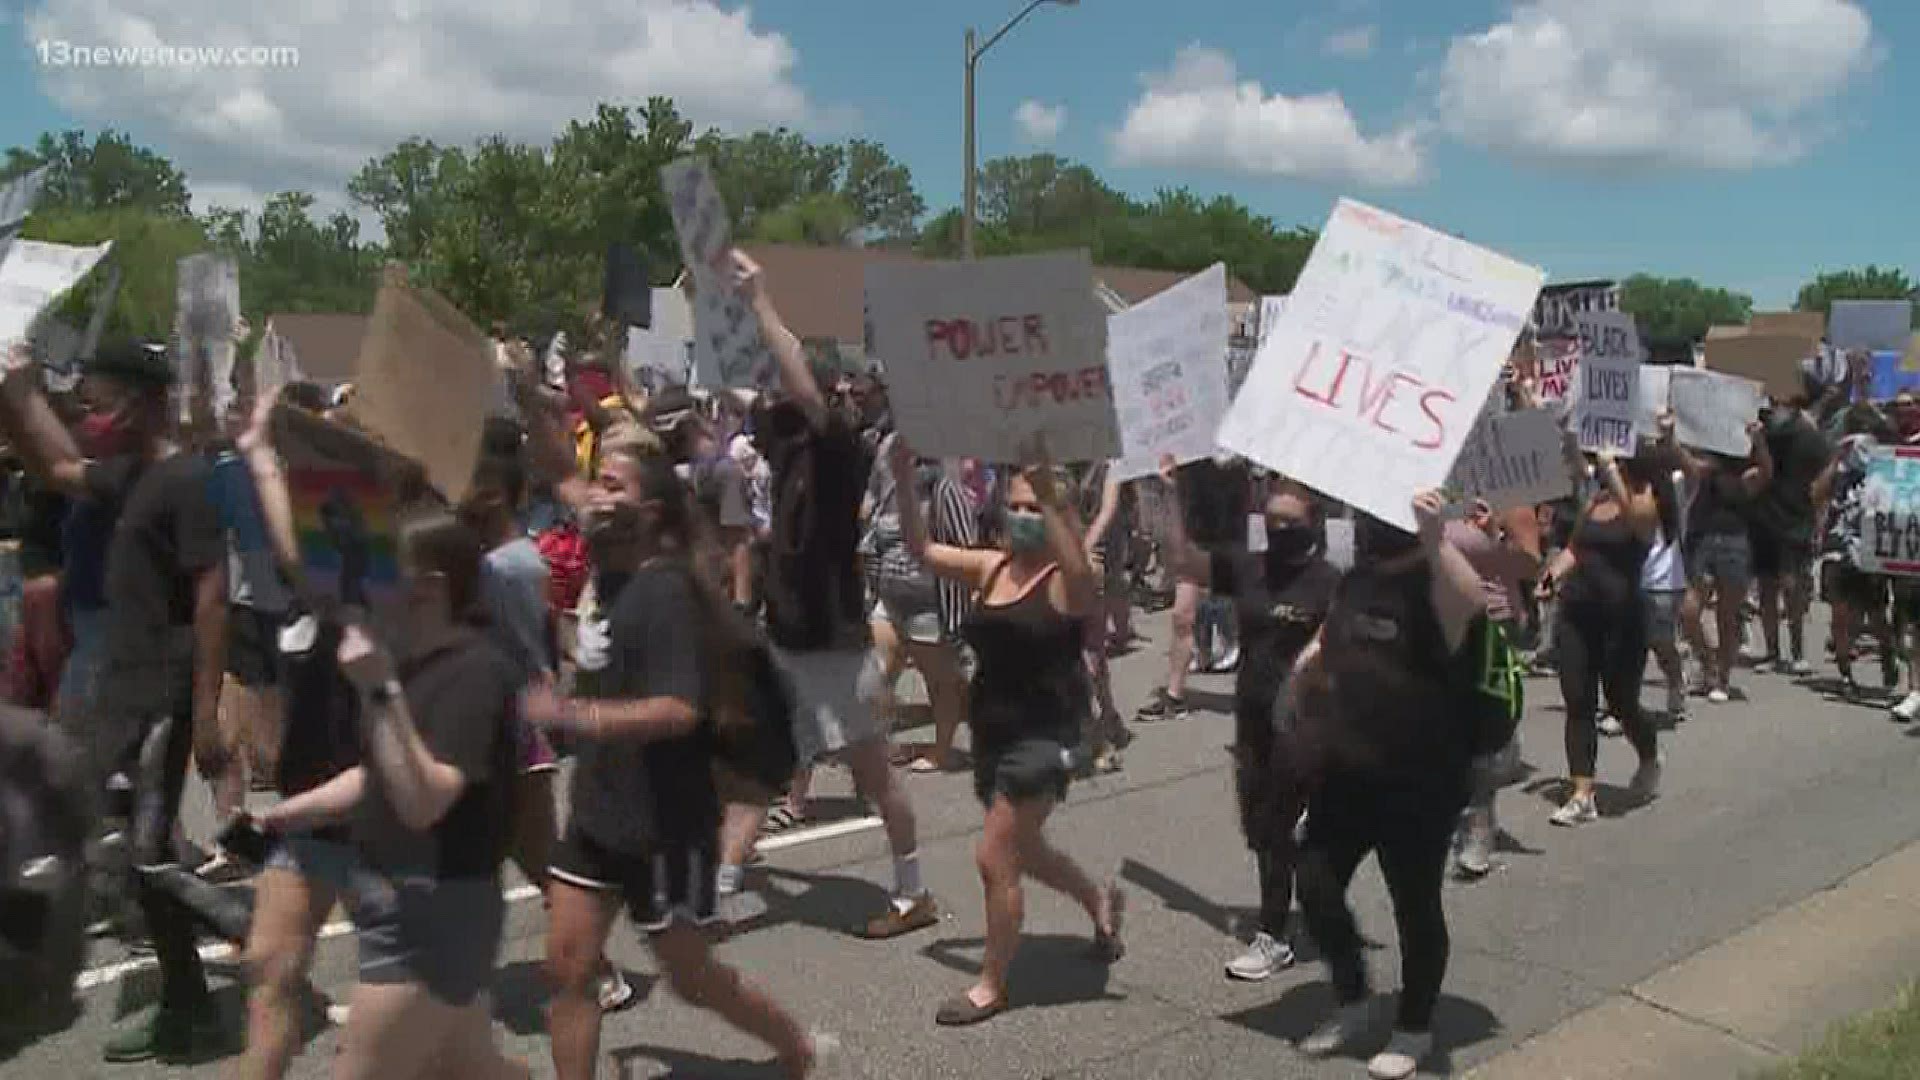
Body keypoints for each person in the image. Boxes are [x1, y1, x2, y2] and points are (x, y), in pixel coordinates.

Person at [527, 444, 817, 1080]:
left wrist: (575, 716)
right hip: (598, 818)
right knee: (569, 970)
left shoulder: (665, 592)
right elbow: (573, 484)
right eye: (595, 484)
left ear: (648, 511)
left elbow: (680, 709)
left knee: (695, 980)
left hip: (665, 830)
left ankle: (794, 1049)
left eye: (612, 486)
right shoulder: (617, 571)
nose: (595, 497)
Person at [0, 339, 231, 1062]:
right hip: (121, 693)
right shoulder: (131, 474)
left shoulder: (187, 479)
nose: (88, 418)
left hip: (163, 694)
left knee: (147, 857)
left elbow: (213, 595)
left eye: (97, 405)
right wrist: (16, 390)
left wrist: (209, 710)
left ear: (141, 403)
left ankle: (247, 936)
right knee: (110, 843)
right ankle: (190, 989)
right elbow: (56, 467)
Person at [258, 510, 529, 1080]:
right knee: (468, 1067)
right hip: (406, 898)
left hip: (436, 909)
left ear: (430, 586)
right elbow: (377, 773)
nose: (363, 584)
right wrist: (291, 812)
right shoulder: (407, 663)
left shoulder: (475, 672)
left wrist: (378, 689)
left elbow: (424, 802)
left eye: (381, 571)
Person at [886, 436, 1124, 1025]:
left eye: (1033, 507)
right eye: (1014, 506)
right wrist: (903, 476)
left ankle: (992, 985)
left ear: (1061, 516)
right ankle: (1098, 900)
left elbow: (1078, 572)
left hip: (1050, 736)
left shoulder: (1072, 576)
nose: (1020, 517)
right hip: (993, 731)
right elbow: (919, 549)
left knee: (994, 853)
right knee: (1027, 848)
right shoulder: (991, 566)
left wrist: (1050, 487)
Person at [736, 249, 936, 939]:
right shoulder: (784, 444)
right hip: (786, 637)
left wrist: (762, 304)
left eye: (778, 389)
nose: (763, 398)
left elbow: (799, 389)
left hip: (835, 641)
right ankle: (725, 884)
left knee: (876, 776)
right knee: (759, 761)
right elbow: (730, 395)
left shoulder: (837, 446)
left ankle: (914, 891)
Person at [1289, 493, 1487, 1080]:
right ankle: (1353, 998)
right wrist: (1303, 678)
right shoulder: (1358, 578)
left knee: (1414, 904)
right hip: (1348, 772)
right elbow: (1329, 642)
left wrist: (1434, 535)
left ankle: (1415, 1027)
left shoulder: (1439, 579)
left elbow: (1471, 603)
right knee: (1315, 884)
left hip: (1420, 780)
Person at [1160, 459, 1339, 979]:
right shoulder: (1249, 567)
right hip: (1253, 719)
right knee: (1261, 829)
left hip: (1305, 723)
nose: (1281, 531)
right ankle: (1299, 898)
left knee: (1279, 829)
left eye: (1291, 522)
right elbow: (1183, 563)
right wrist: (1174, 499)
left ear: (1314, 523)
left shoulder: (1327, 581)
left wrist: (1320, 653)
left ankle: (1274, 935)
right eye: (1273, 521)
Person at [1539, 447, 1670, 827]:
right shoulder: (1596, 501)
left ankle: (1649, 756)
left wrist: (1612, 472)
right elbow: (1576, 548)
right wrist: (1553, 575)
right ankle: (1582, 794)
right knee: (1578, 698)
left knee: (1622, 701)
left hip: (1623, 615)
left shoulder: (1645, 498)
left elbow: (1641, 526)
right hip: (1578, 611)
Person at [860, 433, 974, 774]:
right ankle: (877, 747)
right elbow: (873, 528)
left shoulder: (943, 489)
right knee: (875, 676)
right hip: (889, 598)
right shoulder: (891, 490)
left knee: (940, 681)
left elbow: (964, 544)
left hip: (930, 603)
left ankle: (943, 749)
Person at [1442, 499, 1540, 877]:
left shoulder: (1506, 494)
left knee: (1480, 734)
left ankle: (1478, 830)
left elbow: (1530, 564)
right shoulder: (1429, 484)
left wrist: (1491, 537)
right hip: (1435, 618)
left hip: (1491, 622)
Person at [1138, 456, 1251, 723]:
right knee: (1182, 616)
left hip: (1232, 536)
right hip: (1197, 536)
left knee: (1252, 617)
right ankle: (1174, 695)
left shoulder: (1237, 448)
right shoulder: (1188, 454)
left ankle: (1261, 691)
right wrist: (1171, 483)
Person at [1677, 426, 1773, 704]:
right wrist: (1671, 436)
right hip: (1701, 540)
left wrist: (1759, 440)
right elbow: (1686, 462)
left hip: (1734, 543)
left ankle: (1723, 678)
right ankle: (1707, 662)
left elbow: (1766, 473)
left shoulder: (1745, 474)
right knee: (1688, 611)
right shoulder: (1704, 470)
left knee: (1727, 616)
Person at [1812, 406, 1900, 703]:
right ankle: (1845, 673)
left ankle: (1887, 653)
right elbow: (1816, 494)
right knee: (1839, 615)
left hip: (1871, 547)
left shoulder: (1883, 461)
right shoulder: (1838, 465)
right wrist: (1836, 458)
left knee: (1876, 616)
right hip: (1839, 547)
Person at [1751, 378, 1832, 676]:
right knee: (1766, 589)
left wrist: (1818, 502)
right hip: (1763, 518)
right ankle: (1772, 652)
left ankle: (1797, 651)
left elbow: (1828, 466)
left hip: (1796, 518)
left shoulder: (1808, 435)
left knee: (1791, 587)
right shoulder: (1761, 431)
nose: (1774, 404)